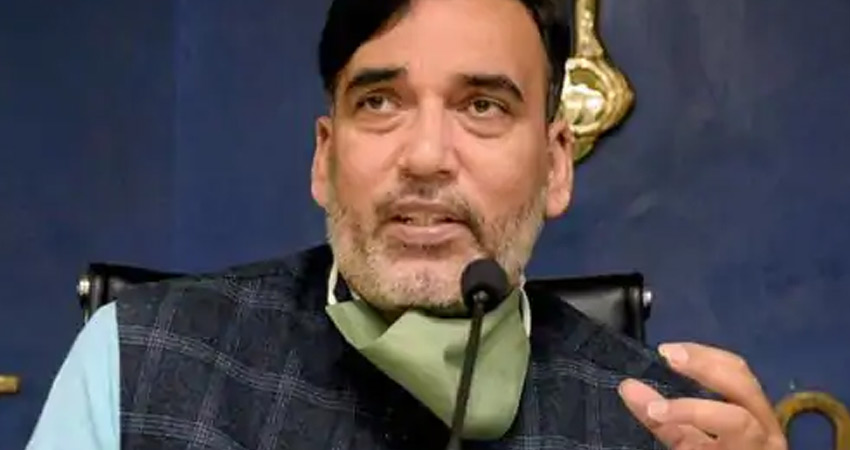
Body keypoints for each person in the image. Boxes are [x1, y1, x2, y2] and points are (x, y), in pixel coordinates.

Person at [27, 0, 787, 448]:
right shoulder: (137, 363)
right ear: (325, 158)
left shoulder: (656, 427)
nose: (425, 157)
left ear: (556, 164)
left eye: (482, 106)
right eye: (380, 102)